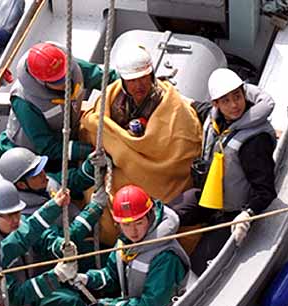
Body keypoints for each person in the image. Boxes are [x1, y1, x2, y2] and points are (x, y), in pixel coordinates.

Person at [78, 44, 202, 246]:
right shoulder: (112, 101)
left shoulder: (174, 108)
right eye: (132, 81)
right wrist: (113, 151)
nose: (139, 85)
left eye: (143, 78)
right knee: (97, 196)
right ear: (123, 81)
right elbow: (97, 130)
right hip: (118, 169)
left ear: (152, 76)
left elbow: (182, 151)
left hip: (161, 178)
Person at [169, 68, 277, 275]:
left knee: (200, 265)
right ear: (216, 104)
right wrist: (174, 94)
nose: (234, 105)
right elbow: (197, 107)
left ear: (244, 93)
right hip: (209, 198)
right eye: (226, 101)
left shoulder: (255, 141)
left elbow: (266, 190)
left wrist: (248, 213)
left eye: (237, 96)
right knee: (165, 216)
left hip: (234, 212)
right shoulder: (214, 118)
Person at [76, 185, 189, 306]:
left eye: (139, 223)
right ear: (118, 224)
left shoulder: (165, 257)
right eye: (127, 225)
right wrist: (87, 278)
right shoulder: (125, 244)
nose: (133, 231)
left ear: (150, 217)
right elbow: (111, 275)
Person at [0, 41, 118, 169]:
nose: (66, 83)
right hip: (35, 155)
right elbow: (46, 146)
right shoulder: (24, 101)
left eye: (66, 75)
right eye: (58, 80)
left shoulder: (70, 67)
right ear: (41, 81)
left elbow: (103, 77)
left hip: (65, 137)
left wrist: (128, 81)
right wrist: (86, 150)